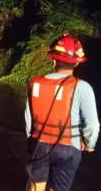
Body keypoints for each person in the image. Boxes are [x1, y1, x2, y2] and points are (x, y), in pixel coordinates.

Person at [25, 33, 100, 191]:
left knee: (35, 187)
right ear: (77, 63)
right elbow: (93, 126)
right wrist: (89, 144)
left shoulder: (35, 83)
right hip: (69, 148)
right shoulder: (83, 87)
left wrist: (31, 141)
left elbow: (28, 119)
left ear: (53, 60)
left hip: (39, 143)